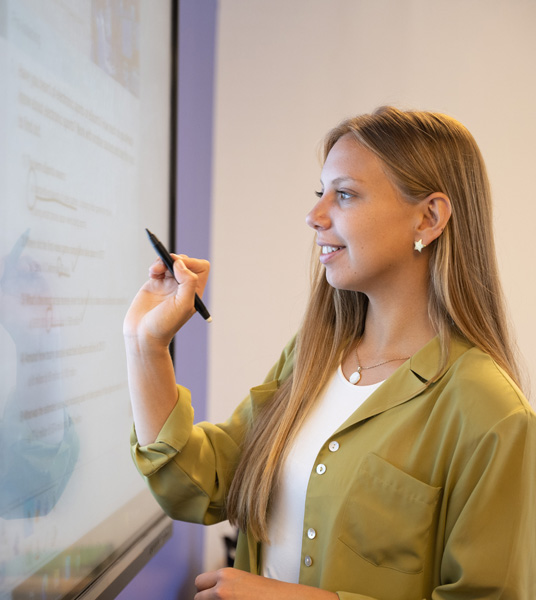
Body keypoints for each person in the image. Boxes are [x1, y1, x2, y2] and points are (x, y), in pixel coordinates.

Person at [123, 106, 536, 599]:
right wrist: (146, 346)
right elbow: (199, 485)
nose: (314, 216)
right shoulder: (309, 358)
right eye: (321, 194)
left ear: (428, 217)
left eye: (344, 194)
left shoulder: (490, 411)